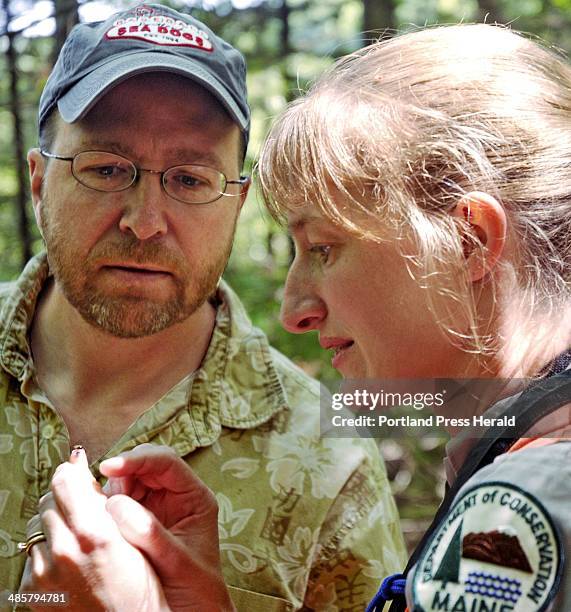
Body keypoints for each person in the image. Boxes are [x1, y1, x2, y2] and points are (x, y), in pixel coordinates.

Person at [0, 3, 406, 610]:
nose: (144, 223)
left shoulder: (323, 460)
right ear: (38, 183)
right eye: (107, 169)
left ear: (236, 205)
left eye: (190, 179)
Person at [257, 24, 571, 611]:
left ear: (468, 242)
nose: (294, 310)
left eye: (323, 248)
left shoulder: (527, 503)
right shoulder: (520, 449)